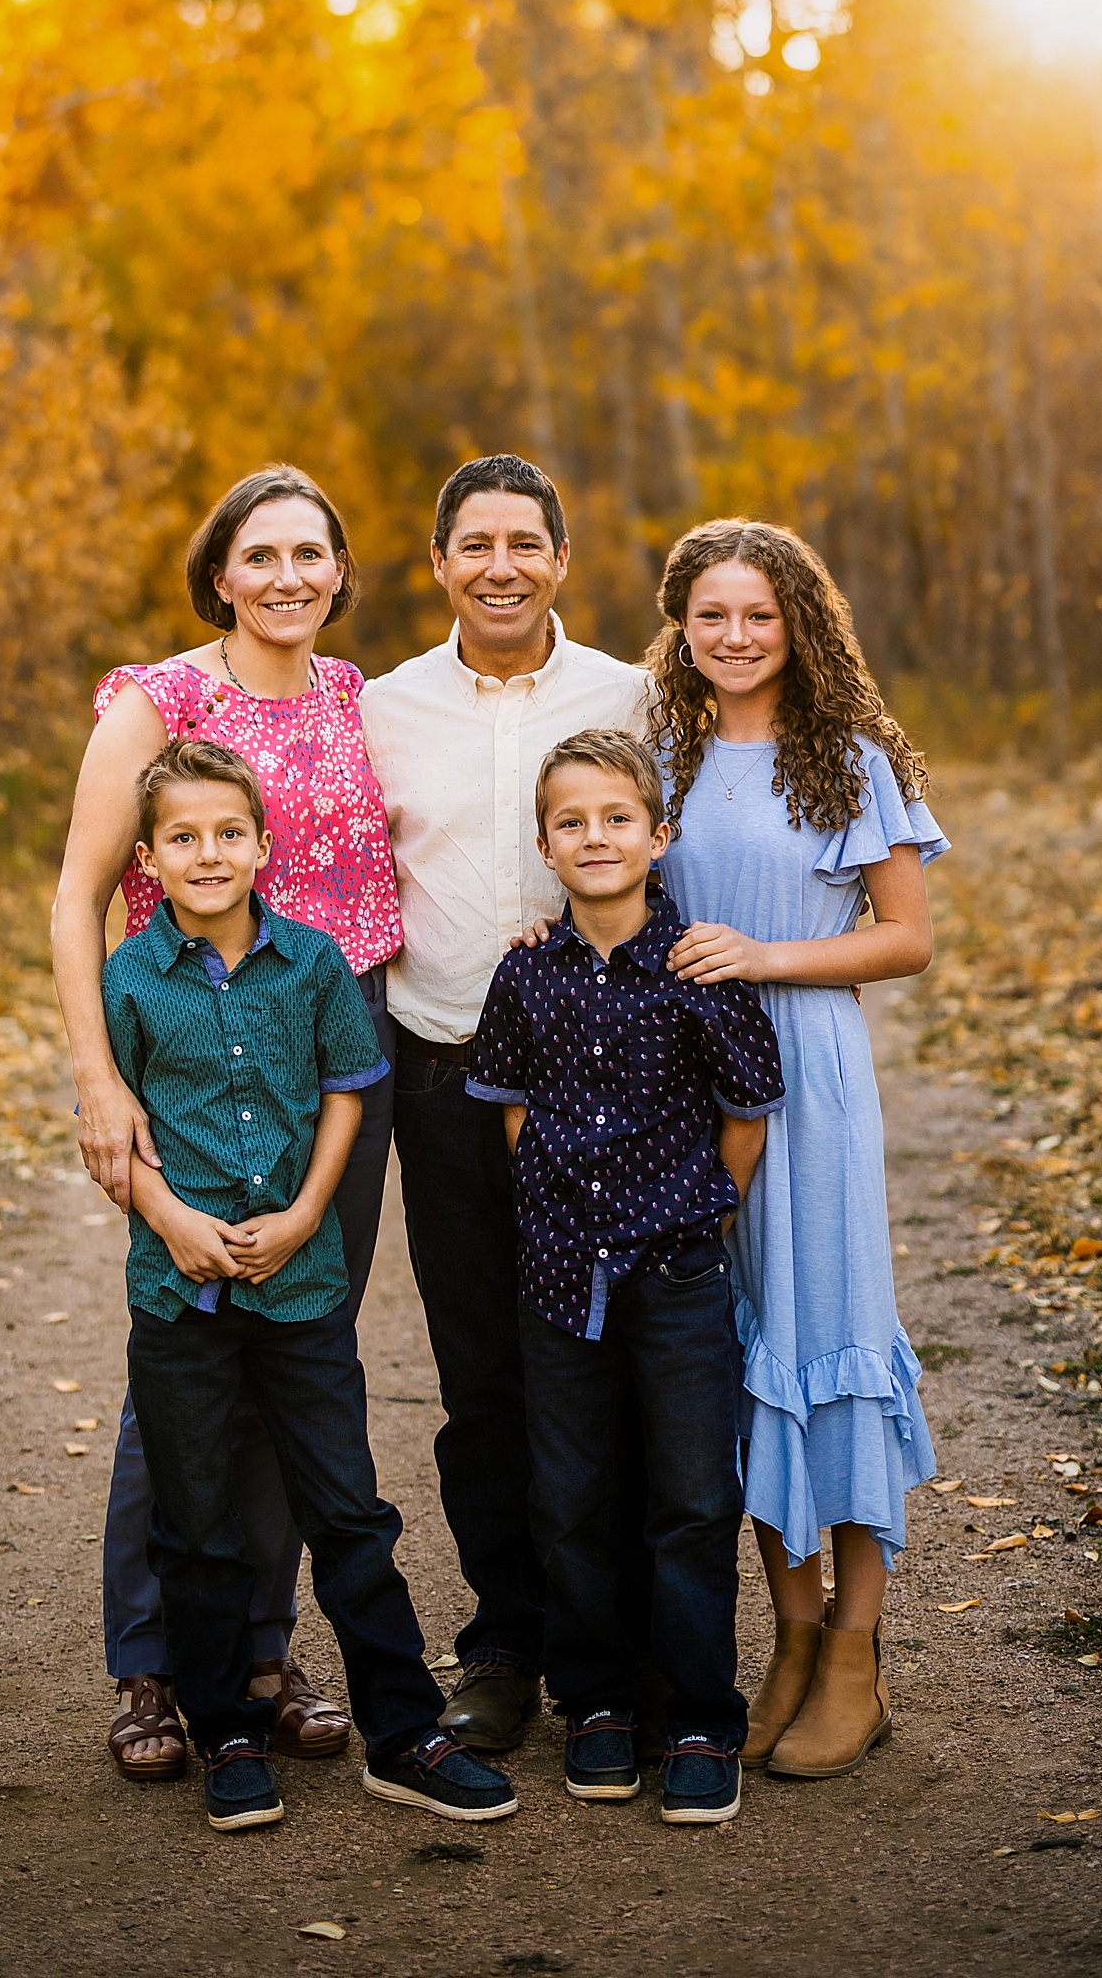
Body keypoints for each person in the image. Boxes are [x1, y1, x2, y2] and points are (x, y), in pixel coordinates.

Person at [52, 464, 401, 1780]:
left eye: (312, 554)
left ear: (338, 571)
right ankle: (151, 1669)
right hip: (190, 1047)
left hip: (335, 1045)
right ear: (220, 574)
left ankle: (258, 1652)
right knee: (188, 1350)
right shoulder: (161, 700)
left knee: (295, 1339)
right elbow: (77, 894)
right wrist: (100, 1083)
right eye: (262, 556)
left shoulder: (357, 697)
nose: (289, 577)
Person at [108, 734, 517, 1833]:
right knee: (193, 1521)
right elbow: (118, 1129)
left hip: (298, 1289)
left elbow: (349, 1087)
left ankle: (402, 1728)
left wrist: (301, 1217)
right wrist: (172, 1220)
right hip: (179, 1293)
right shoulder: (129, 980)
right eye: (183, 838)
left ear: (261, 844)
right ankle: (225, 1730)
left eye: (227, 833)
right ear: (147, 858)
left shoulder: (314, 963)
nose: (207, 853)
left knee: (346, 1509)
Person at [357, 455, 646, 1753]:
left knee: (601, 1363)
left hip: (604, 1084)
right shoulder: (384, 708)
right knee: (482, 1375)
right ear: (438, 564)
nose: (501, 566)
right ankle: (504, 1646)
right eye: (474, 544)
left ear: (562, 559)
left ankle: (613, 1649)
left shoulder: (631, 696)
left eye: (525, 542)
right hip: (445, 1077)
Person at [650, 519, 944, 1781]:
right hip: (687, 1077)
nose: (732, 638)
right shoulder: (659, 754)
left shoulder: (850, 756)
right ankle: (788, 1634)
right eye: (710, 617)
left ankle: (856, 1660)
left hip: (809, 1072)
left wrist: (766, 957)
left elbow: (905, 937)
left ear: (796, 624)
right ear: (681, 627)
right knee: (737, 1351)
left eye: (757, 617)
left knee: (825, 1338)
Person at [466, 729, 785, 1828]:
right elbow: (510, 1110)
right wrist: (569, 1210)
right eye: (570, 822)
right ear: (546, 845)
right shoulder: (523, 974)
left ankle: (698, 1717)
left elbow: (744, 1120)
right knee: (568, 1498)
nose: (593, 837)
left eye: (615, 819)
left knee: (692, 1497)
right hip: (559, 1280)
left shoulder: (699, 968)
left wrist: (694, 1211)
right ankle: (593, 1702)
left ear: (659, 835)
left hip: (677, 1274)